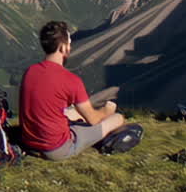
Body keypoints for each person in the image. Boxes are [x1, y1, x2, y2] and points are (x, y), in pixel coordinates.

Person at [18, 20, 126, 160]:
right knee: (117, 119)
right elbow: (93, 120)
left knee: (74, 112)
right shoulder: (71, 80)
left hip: (28, 142)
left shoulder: (30, 71)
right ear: (63, 48)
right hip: (56, 149)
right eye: (69, 44)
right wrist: (107, 111)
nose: (70, 48)